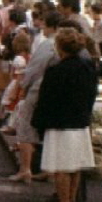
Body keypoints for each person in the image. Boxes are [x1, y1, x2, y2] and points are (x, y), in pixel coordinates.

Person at [31, 27, 98, 202]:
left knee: (61, 166)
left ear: (60, 46)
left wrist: (39, 122)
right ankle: (72, 200)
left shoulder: (57, 70)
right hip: (80, 121)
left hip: (60, 122)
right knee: (75, 165)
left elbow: (47, 99)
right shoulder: (88, 67)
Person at [10, 10, 61, 183]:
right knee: (48, 131)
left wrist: (23, 86)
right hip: (55, 92)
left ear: (51, 26)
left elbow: (35, 68)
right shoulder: (62, 43)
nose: (42, 28)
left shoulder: (49, 44)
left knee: (26, 127)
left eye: (45, 25)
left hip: (39, 88)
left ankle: (25, 169)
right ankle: (48, 169)